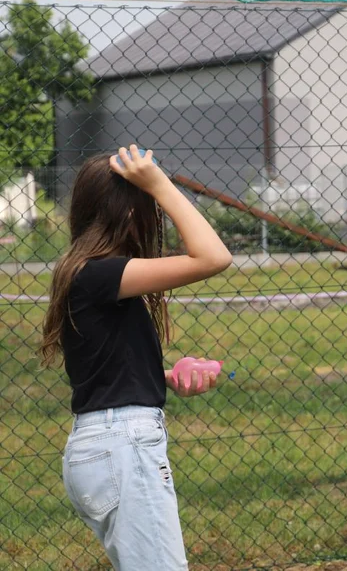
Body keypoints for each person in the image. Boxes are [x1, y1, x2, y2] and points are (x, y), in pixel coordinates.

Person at [40, 145, 233, 570]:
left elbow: (102, 364)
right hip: (121, 448)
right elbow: (214, 257)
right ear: (128, 211)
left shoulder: (87, 272)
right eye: (147, 206)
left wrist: (160, 375)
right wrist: (160, 183)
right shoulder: (101, 273)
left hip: (106, 444)